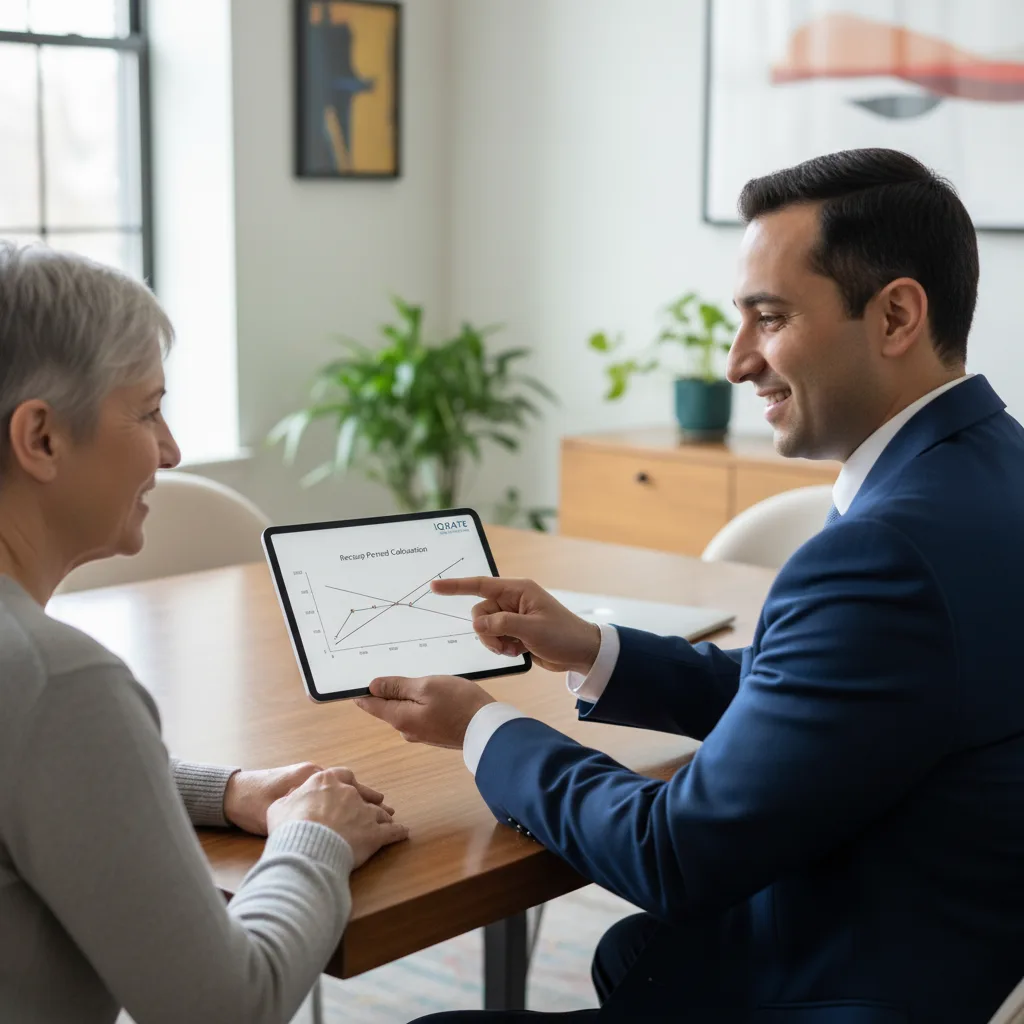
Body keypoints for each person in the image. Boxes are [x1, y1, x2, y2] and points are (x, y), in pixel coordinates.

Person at [356, 148, 1024, 1023]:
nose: (737, 360)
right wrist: (597, 651)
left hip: (838, 984)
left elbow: (672, 853)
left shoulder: (887, 548)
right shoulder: (986, 471)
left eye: (770, 318)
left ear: (896, 314)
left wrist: (483, 729)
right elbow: (821, 695)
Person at [0, 242, 409, 1024]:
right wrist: (313, 835)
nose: (173, 450)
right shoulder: (59, 684)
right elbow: (229, 1007)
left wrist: (222, 791)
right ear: (42, 438)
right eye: (149, 410)